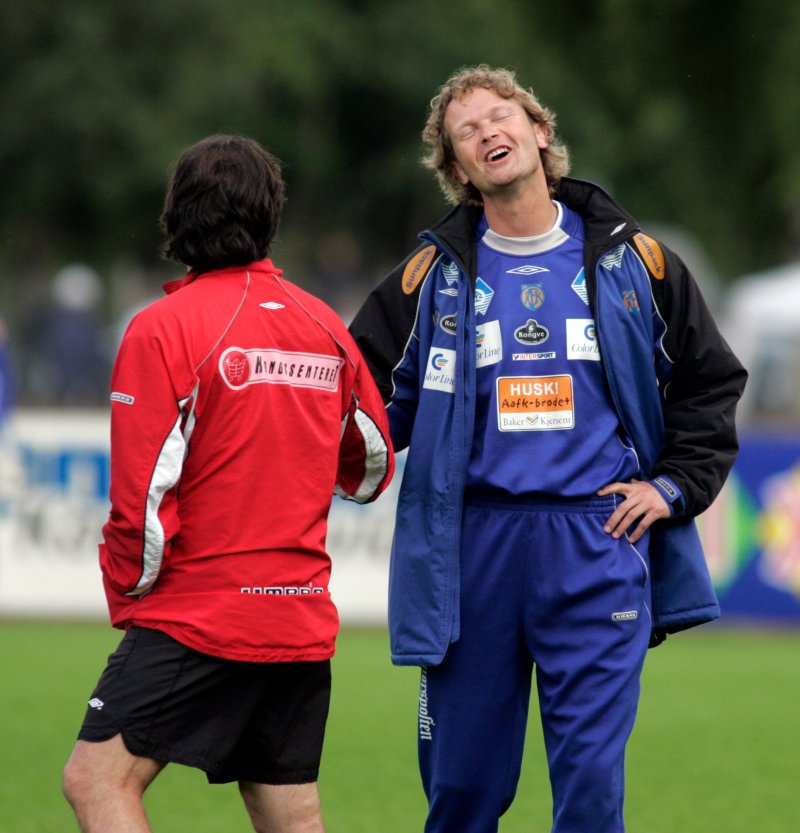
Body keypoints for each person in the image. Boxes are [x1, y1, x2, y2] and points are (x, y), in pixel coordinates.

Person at [348, 65, 747, 833]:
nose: (487, 131)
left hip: (596, 542)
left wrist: (670, 488)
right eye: (467, 131)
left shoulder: (639, 262)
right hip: (474, 549)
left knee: (592, 791)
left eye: (501, 116)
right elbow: (358, 396)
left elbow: (710, 382)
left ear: (538, 131)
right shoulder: (429, 277)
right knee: (461, 792)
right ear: (457, 169)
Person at [62, 135, 395, 833]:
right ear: (270, 216)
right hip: (298, 614)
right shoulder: (323, 325)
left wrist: (129, 596)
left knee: (96, 779)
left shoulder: (162, 328)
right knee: (289, 810)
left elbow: (143, 504)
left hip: (202, 612)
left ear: (176, 215)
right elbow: (370, 469)